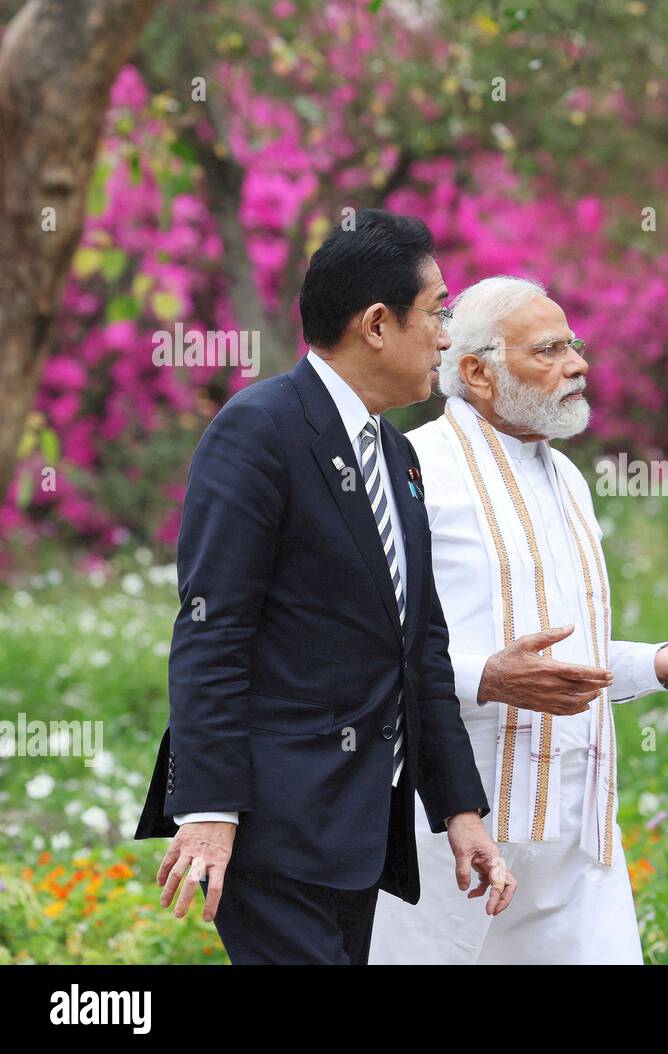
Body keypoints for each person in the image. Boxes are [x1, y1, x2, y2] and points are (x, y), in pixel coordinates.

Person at [134, 210, 516, 964]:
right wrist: (209, 810)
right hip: (273, 824)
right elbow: (213, 627)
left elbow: (420, 650)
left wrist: (460, 808)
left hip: (358, 829)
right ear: (377, 323)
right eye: (437, 312)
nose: (447, 336)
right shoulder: (260, 431)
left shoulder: (399, 457)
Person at [368, 275, 668, 964]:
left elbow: (560, 658)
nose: (577, 364)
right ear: (476, 372)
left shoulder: (569, 480)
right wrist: (486, 679)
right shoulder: (413, 467)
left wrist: (659, 662)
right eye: (548, 350)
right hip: (449, 826)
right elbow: (367, 646)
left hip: (579, 828)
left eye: (573, 345)